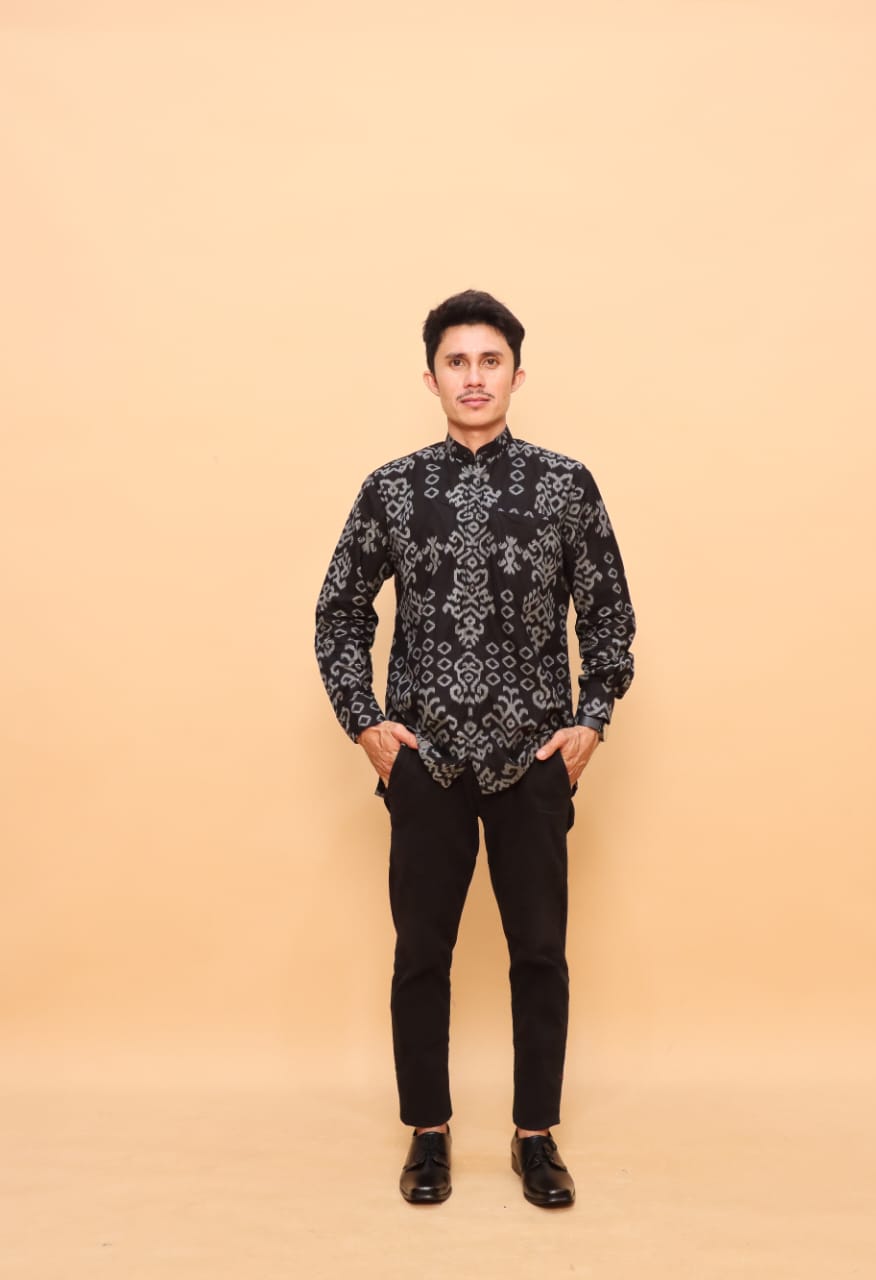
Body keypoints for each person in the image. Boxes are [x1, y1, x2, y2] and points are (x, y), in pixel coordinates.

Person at [314, 289, 635, 1208]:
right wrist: (366, 723)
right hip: (426, 762)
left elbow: (609, 615)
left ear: (517, 375)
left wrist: (592, 717)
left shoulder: (566, 486)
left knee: (540, 952)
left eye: (490, 361)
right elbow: (340, 613)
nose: (474, 377)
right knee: (422, 953)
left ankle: (536, 1136)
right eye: (456, 362)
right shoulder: (392, 489)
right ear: (431, 378)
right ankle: (428, 1133)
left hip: (534, 759)